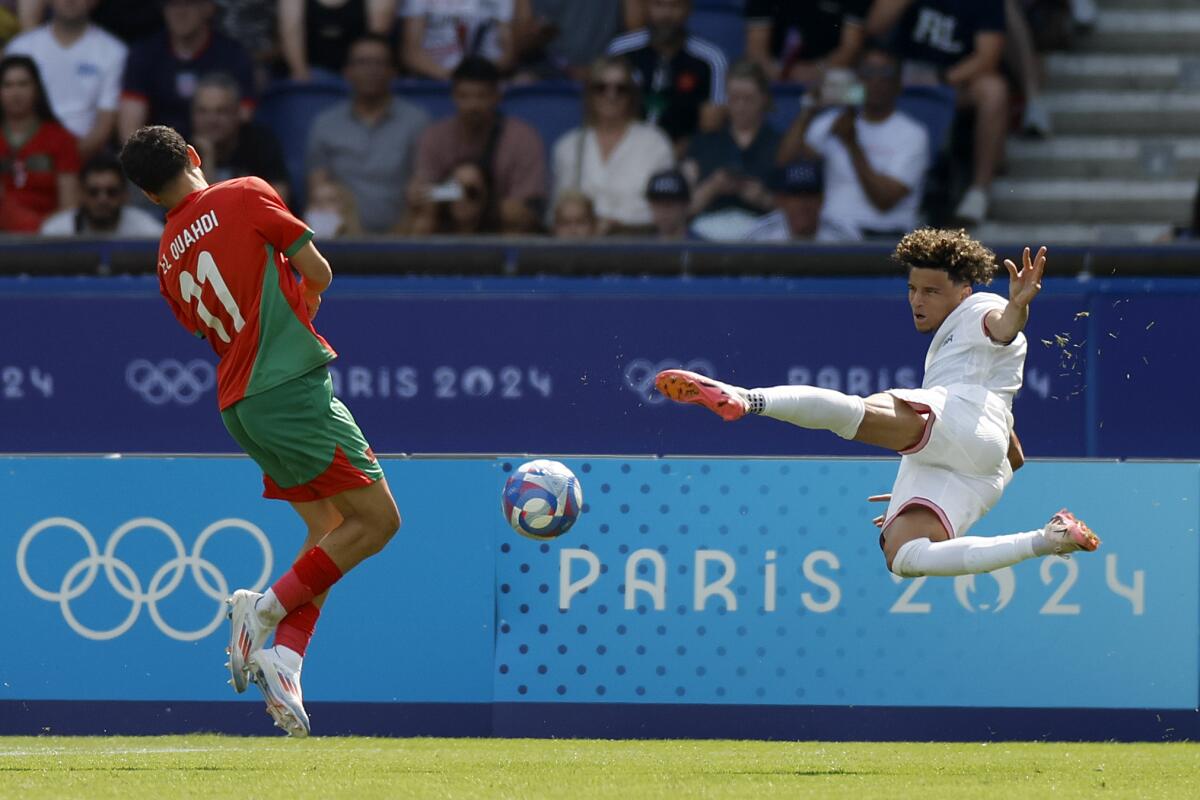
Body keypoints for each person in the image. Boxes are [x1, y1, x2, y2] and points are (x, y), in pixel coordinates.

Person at [118, 124, 401, 737]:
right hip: (288, 386)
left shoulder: (166, 258)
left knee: (329, 529)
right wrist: (304, 298)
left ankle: (287, 661)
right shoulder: (245, 192)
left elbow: (217, 326)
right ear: (195, 156)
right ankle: (261, 612)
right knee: (379, 522)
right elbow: (318, 272)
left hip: (239, 405)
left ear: (147, 196)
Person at [655, 228, 1100, 581]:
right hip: (983, 463)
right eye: (912, 289)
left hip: (965, 422)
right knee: (904, 555)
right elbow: (1012, 454)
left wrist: (1018, 306)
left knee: (857, 413)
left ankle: (747, 399)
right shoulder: (962, 350)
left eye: (931, 291)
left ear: (963, 290)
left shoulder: (980, 307)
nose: (917, 301)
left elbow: (1002, 325)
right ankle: (1048, 539)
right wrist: (930, 463)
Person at [866, 0, 1008, 225]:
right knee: (856, 77)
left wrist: (941, 79)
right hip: (899, 79)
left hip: (952, 81)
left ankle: (979, 190)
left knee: (994, 90)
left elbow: (987, 57)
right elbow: (874, 26)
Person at [776, 41, 928, 241]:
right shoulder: (834, 121)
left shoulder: (912, 134)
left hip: (883, 238)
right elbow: (785, 161)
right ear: (858, 79)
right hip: (831, 235)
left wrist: (852, 145)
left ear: (898, 83)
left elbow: (884, 200)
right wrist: (809, 109)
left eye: (885, 73)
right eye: (868, 72)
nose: (876, 80)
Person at [306, 34, 429, 234]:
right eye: (362, 62)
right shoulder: (325, 124)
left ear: (393, 72)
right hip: (343, 238)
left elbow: (422, 187)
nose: (371, 70)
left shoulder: (417, 121)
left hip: (404, 237)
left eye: (379, 62)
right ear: (347, 72)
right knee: (324, 196)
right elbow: (317, 191)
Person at [408, 57, 545, 234]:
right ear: (453, 96)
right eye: (465, 96)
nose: (473, 105)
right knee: (421, 217)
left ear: (497, 96)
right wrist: (460, 194)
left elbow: (527, 212)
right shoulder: (435, 136)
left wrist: (475, 200)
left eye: (481, 96)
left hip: (503, 234)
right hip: (448, 230)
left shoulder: (523, 138)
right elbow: (424, 197)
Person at [551, 56, 673, 234]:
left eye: (620, 89)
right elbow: (558, 214)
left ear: (632, 95)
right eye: (601, 88)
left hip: (641, 245)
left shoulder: (655, 142)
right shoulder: (568, 146)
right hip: (580, 250)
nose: (611, 95)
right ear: (589, 94)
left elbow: (667, 213)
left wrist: (618, 228)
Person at [118, 0, 256, 141]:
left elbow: (242, 119)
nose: (179, 12)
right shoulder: (144, 54)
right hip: (161, 152)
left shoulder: (233, 55)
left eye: (189, 3)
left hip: (221, 152)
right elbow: (129, 128)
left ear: (208, 7)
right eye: (172, 3)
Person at [5, 0, 127, 159]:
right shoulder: (20, 48)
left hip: (87, 159)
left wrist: (66, 161)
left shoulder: (114, 52)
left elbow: (104, 124)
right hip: (24, 157)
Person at [606, 0, 728, 147]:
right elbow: (604, 109)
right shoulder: (620, 51)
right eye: (658, 5)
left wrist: (668, 156)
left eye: (675, 6)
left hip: (683, 156)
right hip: (624, 148)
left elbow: (710, 128)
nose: (666, 14)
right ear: (646, 7)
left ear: (689, 10)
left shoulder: (711, 60)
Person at [682, 60, 779, 233]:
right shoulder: (704, 142)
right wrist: (712, 187)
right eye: (734, 98)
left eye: (749, 99)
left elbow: (799, 210)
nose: (741, 107)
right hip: (707, 232)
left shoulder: (780, 144)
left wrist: (764, 198)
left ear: (764, 99)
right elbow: (680, 210)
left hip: (764, 233)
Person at [0, 55, 79, 232]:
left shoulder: (61, 138)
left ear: (36, 89)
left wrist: (36, 226)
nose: (16, 92)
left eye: (23, 84)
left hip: (47, 234)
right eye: (8, 85)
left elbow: (70, 205)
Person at [190, 72, 290, 202]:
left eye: (221, 111)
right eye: (203, 111)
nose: (211, 120)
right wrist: (208, 157)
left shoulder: (260, 142)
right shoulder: (182, 149)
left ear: (238, 113)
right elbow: (200, 211)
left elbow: (279, 200)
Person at [40, 151, 164, 236]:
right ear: (81, 194)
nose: (102, 199)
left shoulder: (148, 233)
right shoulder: (56, 232)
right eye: (93, 192)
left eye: (112, 192)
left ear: (124, 195)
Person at [743, 0, 868, 84]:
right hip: (775, 70)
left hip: (828, 73)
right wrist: (779, 73)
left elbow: (851, 47)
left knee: (856, 93)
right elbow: (756, 51)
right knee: (744, 84)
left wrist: (817, 70)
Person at [401, 0, 523, 79]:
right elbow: (411, 54)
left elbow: (508, 53)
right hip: (434, 80)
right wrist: (458, 78)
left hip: (489, 78)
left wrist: (480, 77)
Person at [278, 0, 396, 81]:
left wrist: (360, 76)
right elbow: (291, 32)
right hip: (313, 73)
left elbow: (376, 43)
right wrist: (303, 78)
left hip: (361, 73)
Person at [742, 160, 857, 243]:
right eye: (795, 196)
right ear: (781, 201)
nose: (803, 204)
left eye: (809, 195)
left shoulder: (843, 237)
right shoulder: (759, 237)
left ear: (821, 200)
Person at [404, 160, 498, 235]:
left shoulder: (498, 240)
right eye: (455, 189)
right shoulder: (432, 229)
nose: (462, 198)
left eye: (471, 192)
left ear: (486, 197)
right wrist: (426, 214)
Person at [644, 167, 692, 241]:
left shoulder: (705, 248)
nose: (662, 211)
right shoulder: (643, 249)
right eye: (657, 205)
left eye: (668, 205)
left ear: (685, 205)